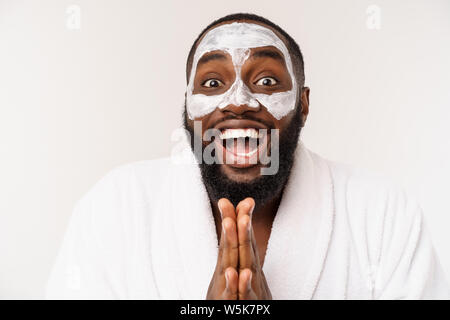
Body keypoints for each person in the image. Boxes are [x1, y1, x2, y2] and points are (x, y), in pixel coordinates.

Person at [46, 13, 449, 299]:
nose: (238, 101)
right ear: (188, 105)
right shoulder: (114, 208)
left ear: (303, 105)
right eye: (213, 82)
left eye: (267, 80)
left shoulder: (382, 214)